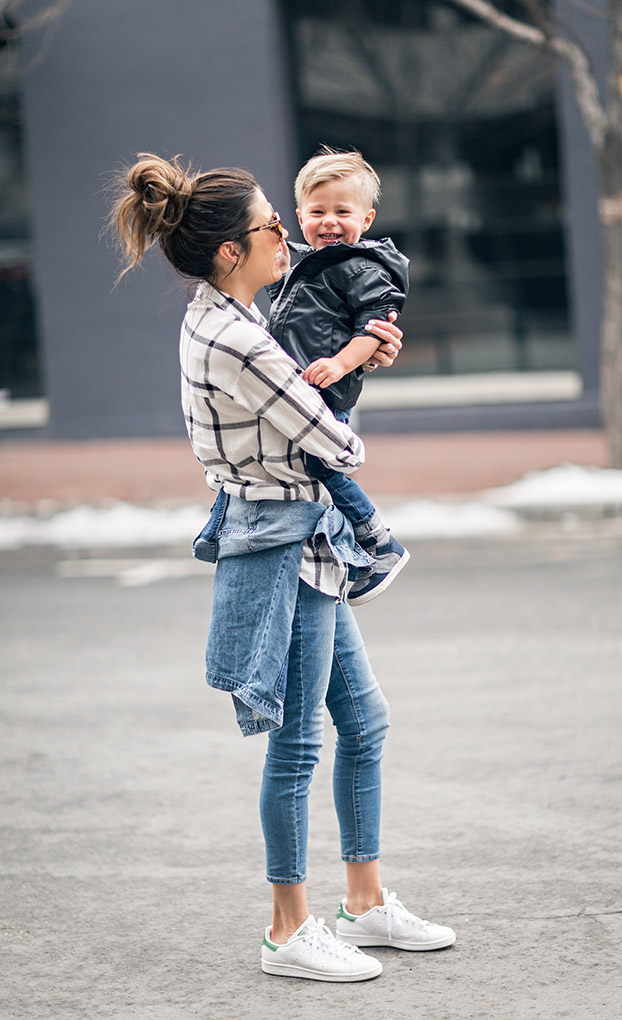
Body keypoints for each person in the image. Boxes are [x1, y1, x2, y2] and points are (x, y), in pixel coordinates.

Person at [108, 153, 455, 983]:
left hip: (311, 534)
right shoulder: (238, 339)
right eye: (273, 222)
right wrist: (358, 366)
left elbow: (339, 299)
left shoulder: (234, 309)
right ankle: (286, 929)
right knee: (297, 745)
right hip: (282, 545)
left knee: (363, 725)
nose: (284, 234)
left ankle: (365, 905)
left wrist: (366, 340)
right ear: (232, 251)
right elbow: (339, 441)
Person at [267, 147, 410, 606]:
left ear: (366, 220)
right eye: (317, 212)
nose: (329, 222)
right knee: (308, 469)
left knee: (321, 464)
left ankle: (378, 541)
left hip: (328, 389)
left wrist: (342, 364)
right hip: (303, 388)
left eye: (342, 212)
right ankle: (349, 551)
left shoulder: (360, 268)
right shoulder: (301, 261)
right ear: (299, 217)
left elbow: (376, 327)